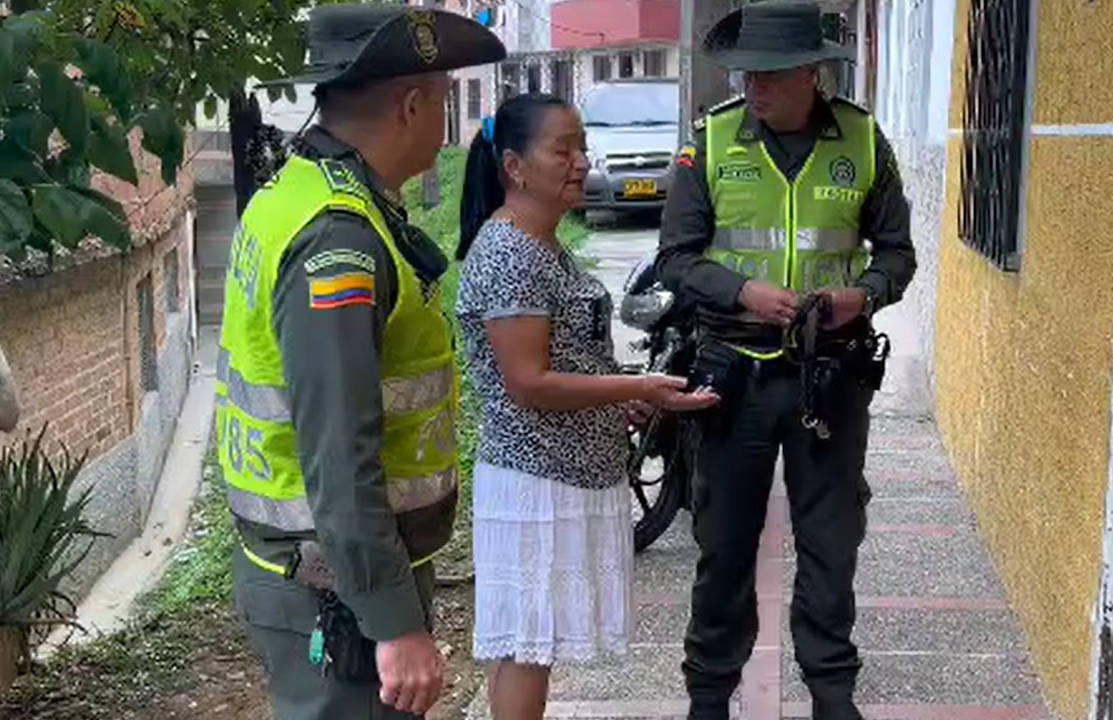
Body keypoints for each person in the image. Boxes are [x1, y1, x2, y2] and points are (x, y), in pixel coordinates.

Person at [213, 5, 505, 718]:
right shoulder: (338, 240)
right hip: (336, 588)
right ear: (411, 106)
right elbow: (339, 450)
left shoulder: (297, 192)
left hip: (315, 570)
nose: (446, 121)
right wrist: (393, 622)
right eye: (443, 100)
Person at [655, 3, 917, 720]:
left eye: (770, 75)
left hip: (829, 377)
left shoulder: (863, 141)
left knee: (831, 544)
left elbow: (897, 254)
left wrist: (863, 295)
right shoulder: (712, 142)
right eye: (748, 75)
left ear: (811, 74)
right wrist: (743, 291)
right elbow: (675, 259)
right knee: (725, 545)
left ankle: (833, 695)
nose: (755, 87)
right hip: (733, 374)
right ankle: (709, 697)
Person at [455, 93, 719, 720]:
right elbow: (528, 382)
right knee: (526, 645)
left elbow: (567, 361)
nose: (581, 161)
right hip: (535, 479)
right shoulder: (511, 252)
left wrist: (618, 399)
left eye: (582, 146)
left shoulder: (545, 244)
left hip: (565, 473)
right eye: (563, 149)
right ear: (515, 167)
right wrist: (634, 389)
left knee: (530, 645)